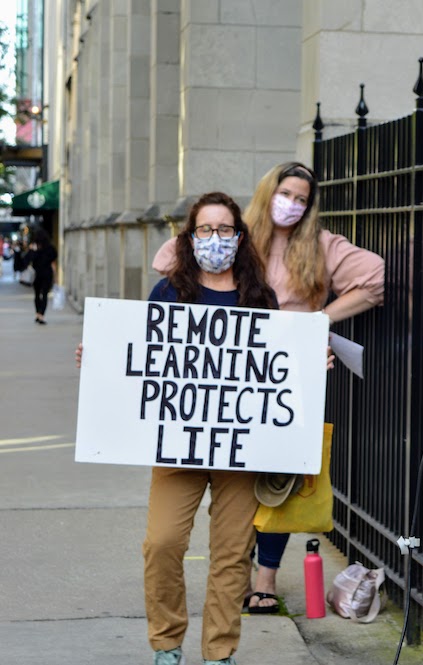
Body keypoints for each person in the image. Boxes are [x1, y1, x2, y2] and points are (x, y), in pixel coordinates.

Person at [153, 161, 385, 613]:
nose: (292, 205)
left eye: (302, 199)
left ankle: (266, 577)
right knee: (229, 477)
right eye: (286, 194)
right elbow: (168, 260)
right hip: (221, 373)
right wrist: (214, 237)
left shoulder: (321, 245)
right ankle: (235, 568)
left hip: (286, 373)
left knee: (275, 479)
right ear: (267, 192)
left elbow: (374, 278)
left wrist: (318, 321)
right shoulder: (237, 234)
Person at [79, 192, 278, 665]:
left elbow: (274, 365)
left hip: (237, 448)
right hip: (177, 444)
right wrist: (101, 359)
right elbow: (143, 361)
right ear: (190, 238)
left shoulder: (259, 297)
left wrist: (309, 366)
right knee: (162, 543)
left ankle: (219, 652)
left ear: (240, 237)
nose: (215, 239)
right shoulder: (169, 292)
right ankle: (167, 645)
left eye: (224, 230)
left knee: (232, 554)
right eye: (205, 230)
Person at [24, 228, 57, 324]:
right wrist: (55, 276)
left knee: (37, 295)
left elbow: (26, 260)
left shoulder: (34, 247)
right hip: (47, 274)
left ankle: (38, 314)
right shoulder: (50, 248)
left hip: (36, 275)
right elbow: (53, 262)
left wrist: (31, 250)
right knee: (45, 295)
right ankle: (41, 315)